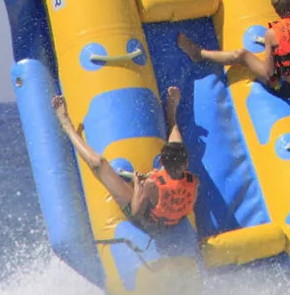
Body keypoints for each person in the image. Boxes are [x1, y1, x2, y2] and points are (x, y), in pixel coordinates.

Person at [52, 86, 198, 230]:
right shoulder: (193, 181)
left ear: (161, 161)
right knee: (177, 146)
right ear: (186, 164)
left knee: (99, 164)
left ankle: (67, 126)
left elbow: (136, 213)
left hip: (146, 220)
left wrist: (138, 186)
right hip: (168, 218)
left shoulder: (152, 184)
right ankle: (171, 117)